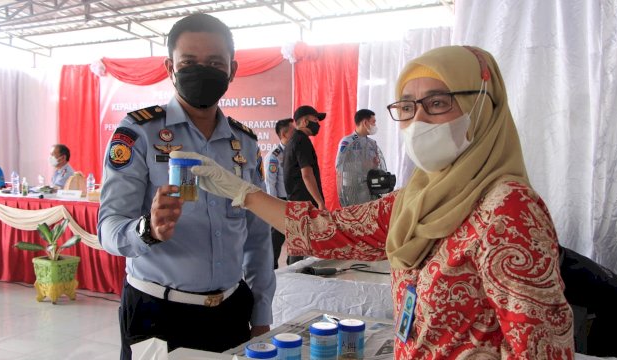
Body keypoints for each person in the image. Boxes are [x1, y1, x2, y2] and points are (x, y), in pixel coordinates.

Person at [171, 45, 574, 358]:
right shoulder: (419, 197)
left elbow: (540, 349)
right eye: (407, 106)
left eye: (437, 103)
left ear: (483, 105)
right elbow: (325, 231)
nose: (418, 121)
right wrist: (241, 191)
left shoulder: (510, 209)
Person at [97, 13, 275, 360]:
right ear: (170, 67)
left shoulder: (245, 143)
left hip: (231, 310)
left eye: (214, 63)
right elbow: (108, 229)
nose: (202, 71)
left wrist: (261, 312)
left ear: (232, 70)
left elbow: (257, 236)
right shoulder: (139, 133)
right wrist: (148, 230)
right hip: (158, 313)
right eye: (189, 62)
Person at [283, 105, 326, 265]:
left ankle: (295, 280)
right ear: (305, 121)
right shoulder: (302, 141)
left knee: (298, 246)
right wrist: (320, 201)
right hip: (303, 203)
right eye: (315, 120)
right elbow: (307, 175)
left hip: (296, 202)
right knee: (301, 249)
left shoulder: (293, 140)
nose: (318, 124)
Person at [335, 109, 382, 206]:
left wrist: (375, 165)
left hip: (370, 188)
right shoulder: (347, 142)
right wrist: (362, 165)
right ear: (365, 122)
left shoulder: (372, 144)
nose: (375, 125)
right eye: (373, 122)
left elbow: (375, 164)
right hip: (352, 189)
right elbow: (339, 165)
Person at [265, 118, 295, 269]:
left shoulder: (294, 151)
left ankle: (293, 265)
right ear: (284, 134)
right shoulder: (275, 155)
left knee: (295, 235)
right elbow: (270, 182)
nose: (295, 133)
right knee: (277, 237)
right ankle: (271, 268)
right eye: (293, 131)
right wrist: (274, 205)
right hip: (280, 200)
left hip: (293, 200)